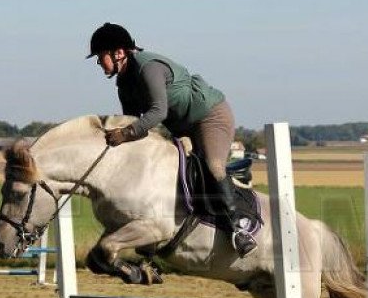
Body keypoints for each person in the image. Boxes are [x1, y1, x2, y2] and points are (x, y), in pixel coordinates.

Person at [88, 23, 257, 258]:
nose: (99, 63)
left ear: (119, 53)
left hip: (210, 117)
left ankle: (239, 229)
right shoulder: (124, 85)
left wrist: (125, 134)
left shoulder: (149, 68)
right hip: (182, 128)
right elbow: (134, 124)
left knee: (213, 166)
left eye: (100, 57)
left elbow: (158, 113)